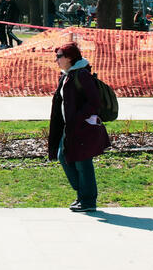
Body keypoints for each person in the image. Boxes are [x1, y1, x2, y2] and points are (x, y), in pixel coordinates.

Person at [47, 42, 110, 212]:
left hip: (82, 128)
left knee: (83, 163)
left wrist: (78, 118)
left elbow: (94, 101)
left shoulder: (81, 75)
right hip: (70, 128)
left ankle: (88, 201)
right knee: (64, 156)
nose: (56, 60)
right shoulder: (66, 75)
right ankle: (82, 195)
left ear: (70, 58)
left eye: (59, 56)